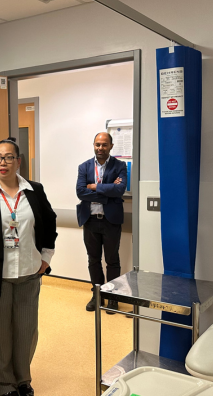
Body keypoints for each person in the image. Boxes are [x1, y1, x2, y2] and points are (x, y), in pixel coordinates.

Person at [0, 138, 57, 396]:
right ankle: (4, 385)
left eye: (8, 157)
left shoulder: (35, 191)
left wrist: (46, 257)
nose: (2, 162)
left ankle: (23, 380)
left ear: (18, 161)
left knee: (26, 332)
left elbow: (49, 224)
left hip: (29, 273)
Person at [77, 132, 127, 313]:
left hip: (111, 221)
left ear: (111, 146)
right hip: (90, 220)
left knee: (112, 260)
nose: (100, 148)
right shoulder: (84, 167)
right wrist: (107, 193)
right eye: (97, 144)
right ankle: (97, 294)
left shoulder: (119, 166)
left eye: (104, 145)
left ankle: (113, 297)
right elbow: (81, 192)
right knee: (93, 259)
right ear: (93, 145)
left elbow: (120, 189)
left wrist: (95, 186)